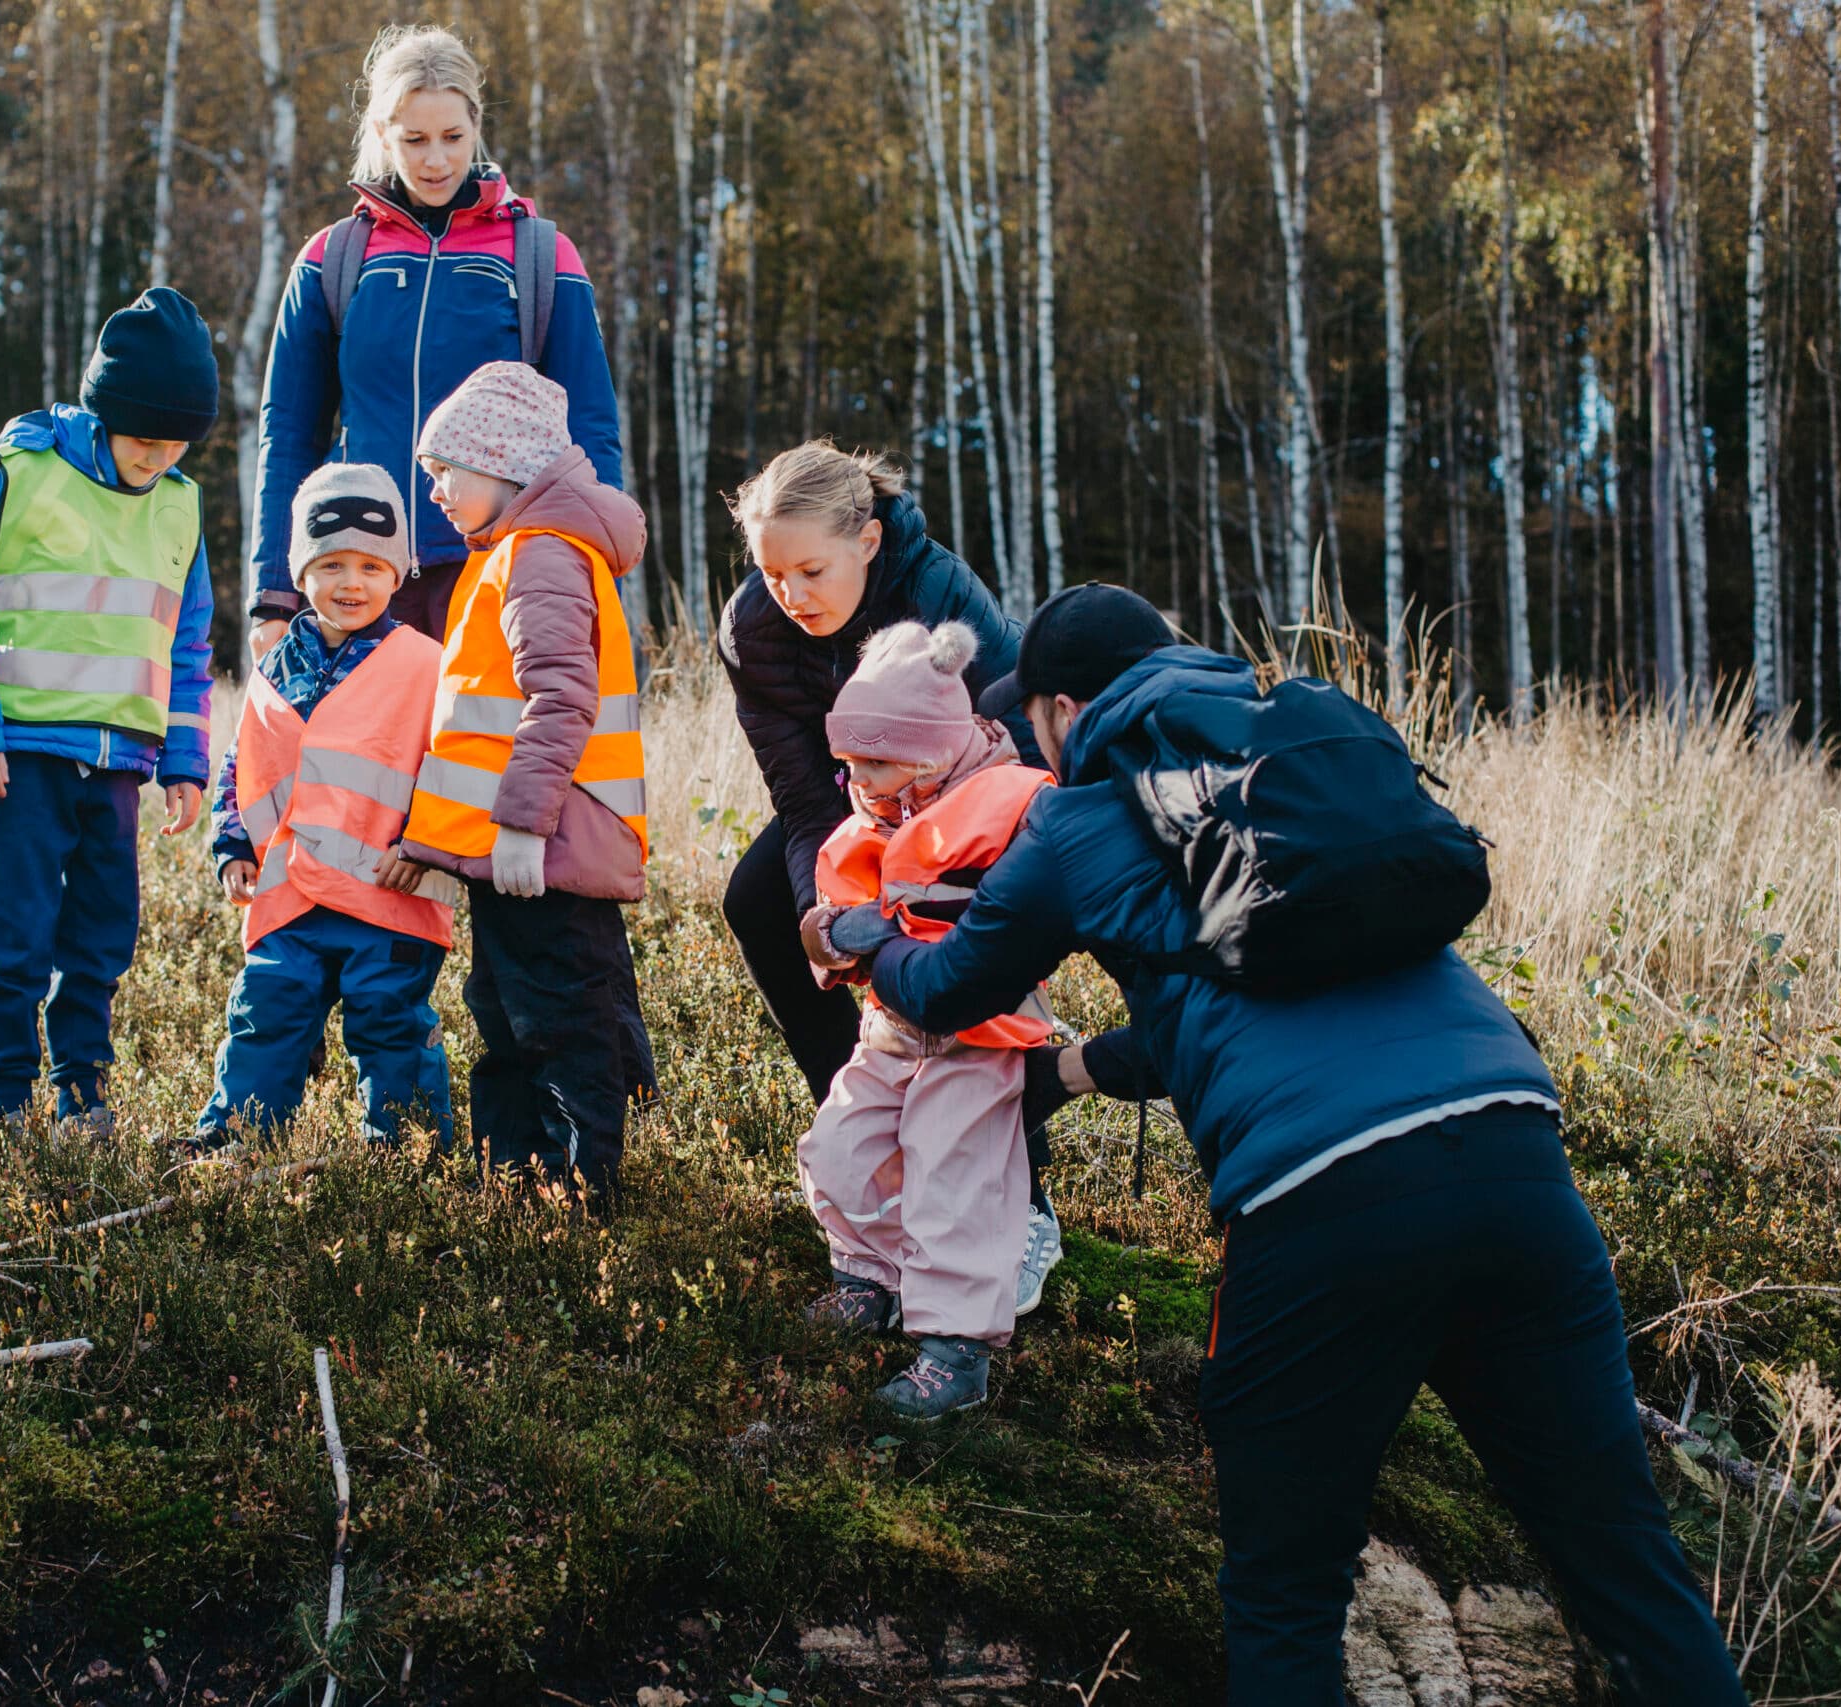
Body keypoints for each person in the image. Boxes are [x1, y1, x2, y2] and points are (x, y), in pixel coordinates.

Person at [853, 583, 1749, 1705]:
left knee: (1284, 1588)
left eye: (1026, 718)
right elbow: (1246, 996)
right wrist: (1073, 1071)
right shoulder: (1292, 771)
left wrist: (851, 939)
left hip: (1325, 1202)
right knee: (1623, 1560)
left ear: (1059, 710)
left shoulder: (1072, 821)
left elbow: (945, 988)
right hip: (1516, 1158)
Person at [719, 440, 1120, 1317]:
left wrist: (974, 896)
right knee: (759, 903)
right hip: (864, 802)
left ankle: (1016, 1190)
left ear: (866, 540)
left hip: (983, 793)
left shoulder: (941, 590)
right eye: (770, 572)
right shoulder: (753, 626)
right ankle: (873, 1127)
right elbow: (802, 794)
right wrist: (836, 923)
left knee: (964, 970)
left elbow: (1021, 737)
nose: (789, 594)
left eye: (810, 569)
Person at [0, 287, 218, 1136]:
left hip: (119, 762)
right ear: (105, 411)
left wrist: (186, 760)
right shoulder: (15, 472)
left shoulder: (181, 503)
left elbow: (188, 642)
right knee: (15, 939)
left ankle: (82, 1094)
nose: (157, 457)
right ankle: (5, 1103)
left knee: (100, 941)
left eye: (176, 444)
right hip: (19, 754)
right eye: (144, 439)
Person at [247, 24, 624, 647]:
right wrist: (275, 597)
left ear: (477, 126)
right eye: (414, 139)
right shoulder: (332, 259)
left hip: (501, 574)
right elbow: (287, 432)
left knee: (492, 746)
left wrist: (591, 568)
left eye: (453, 137)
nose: (436, 160)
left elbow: (589, 427)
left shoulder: (539, 254)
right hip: (359, 575)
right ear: (380, 135)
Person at [393, 361, 652, 1208]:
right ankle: (514, 1178)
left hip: (546, 846)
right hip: (531, 847)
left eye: (447, 472)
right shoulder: (517, 552)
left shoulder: (539, 556)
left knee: (554, 1017)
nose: (434, 490)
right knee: (507, 1007)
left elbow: (563, 695)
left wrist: (520, 826)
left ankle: (581, 1191)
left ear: (504, 466)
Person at [796, 622, 1060, 1420]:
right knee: (840, 1147)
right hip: (889, 1025)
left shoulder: (1016, 801)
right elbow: (828, 915)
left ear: (934, 748)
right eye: (851, 763)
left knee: (957, 1176)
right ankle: (868, 1274)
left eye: (875, 761)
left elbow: (1041, 903)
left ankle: (956, 1346)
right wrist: (834, 934)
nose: (858, 779)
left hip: (979, 1032)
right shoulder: (868, 820)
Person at [193, 463, 457, 1149]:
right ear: (301, 571)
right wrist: (231, 847)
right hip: (291, 897)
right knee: (266, 1015)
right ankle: (236, 1140)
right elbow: (242, 763)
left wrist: (425, 845)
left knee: (390, 1023)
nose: (351, 583)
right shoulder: (276, 666)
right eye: (332, 563)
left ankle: (410, 1151)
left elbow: (455, 769)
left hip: (389, 898)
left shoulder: (426, 664)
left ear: (397, 574)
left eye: (372, 565)